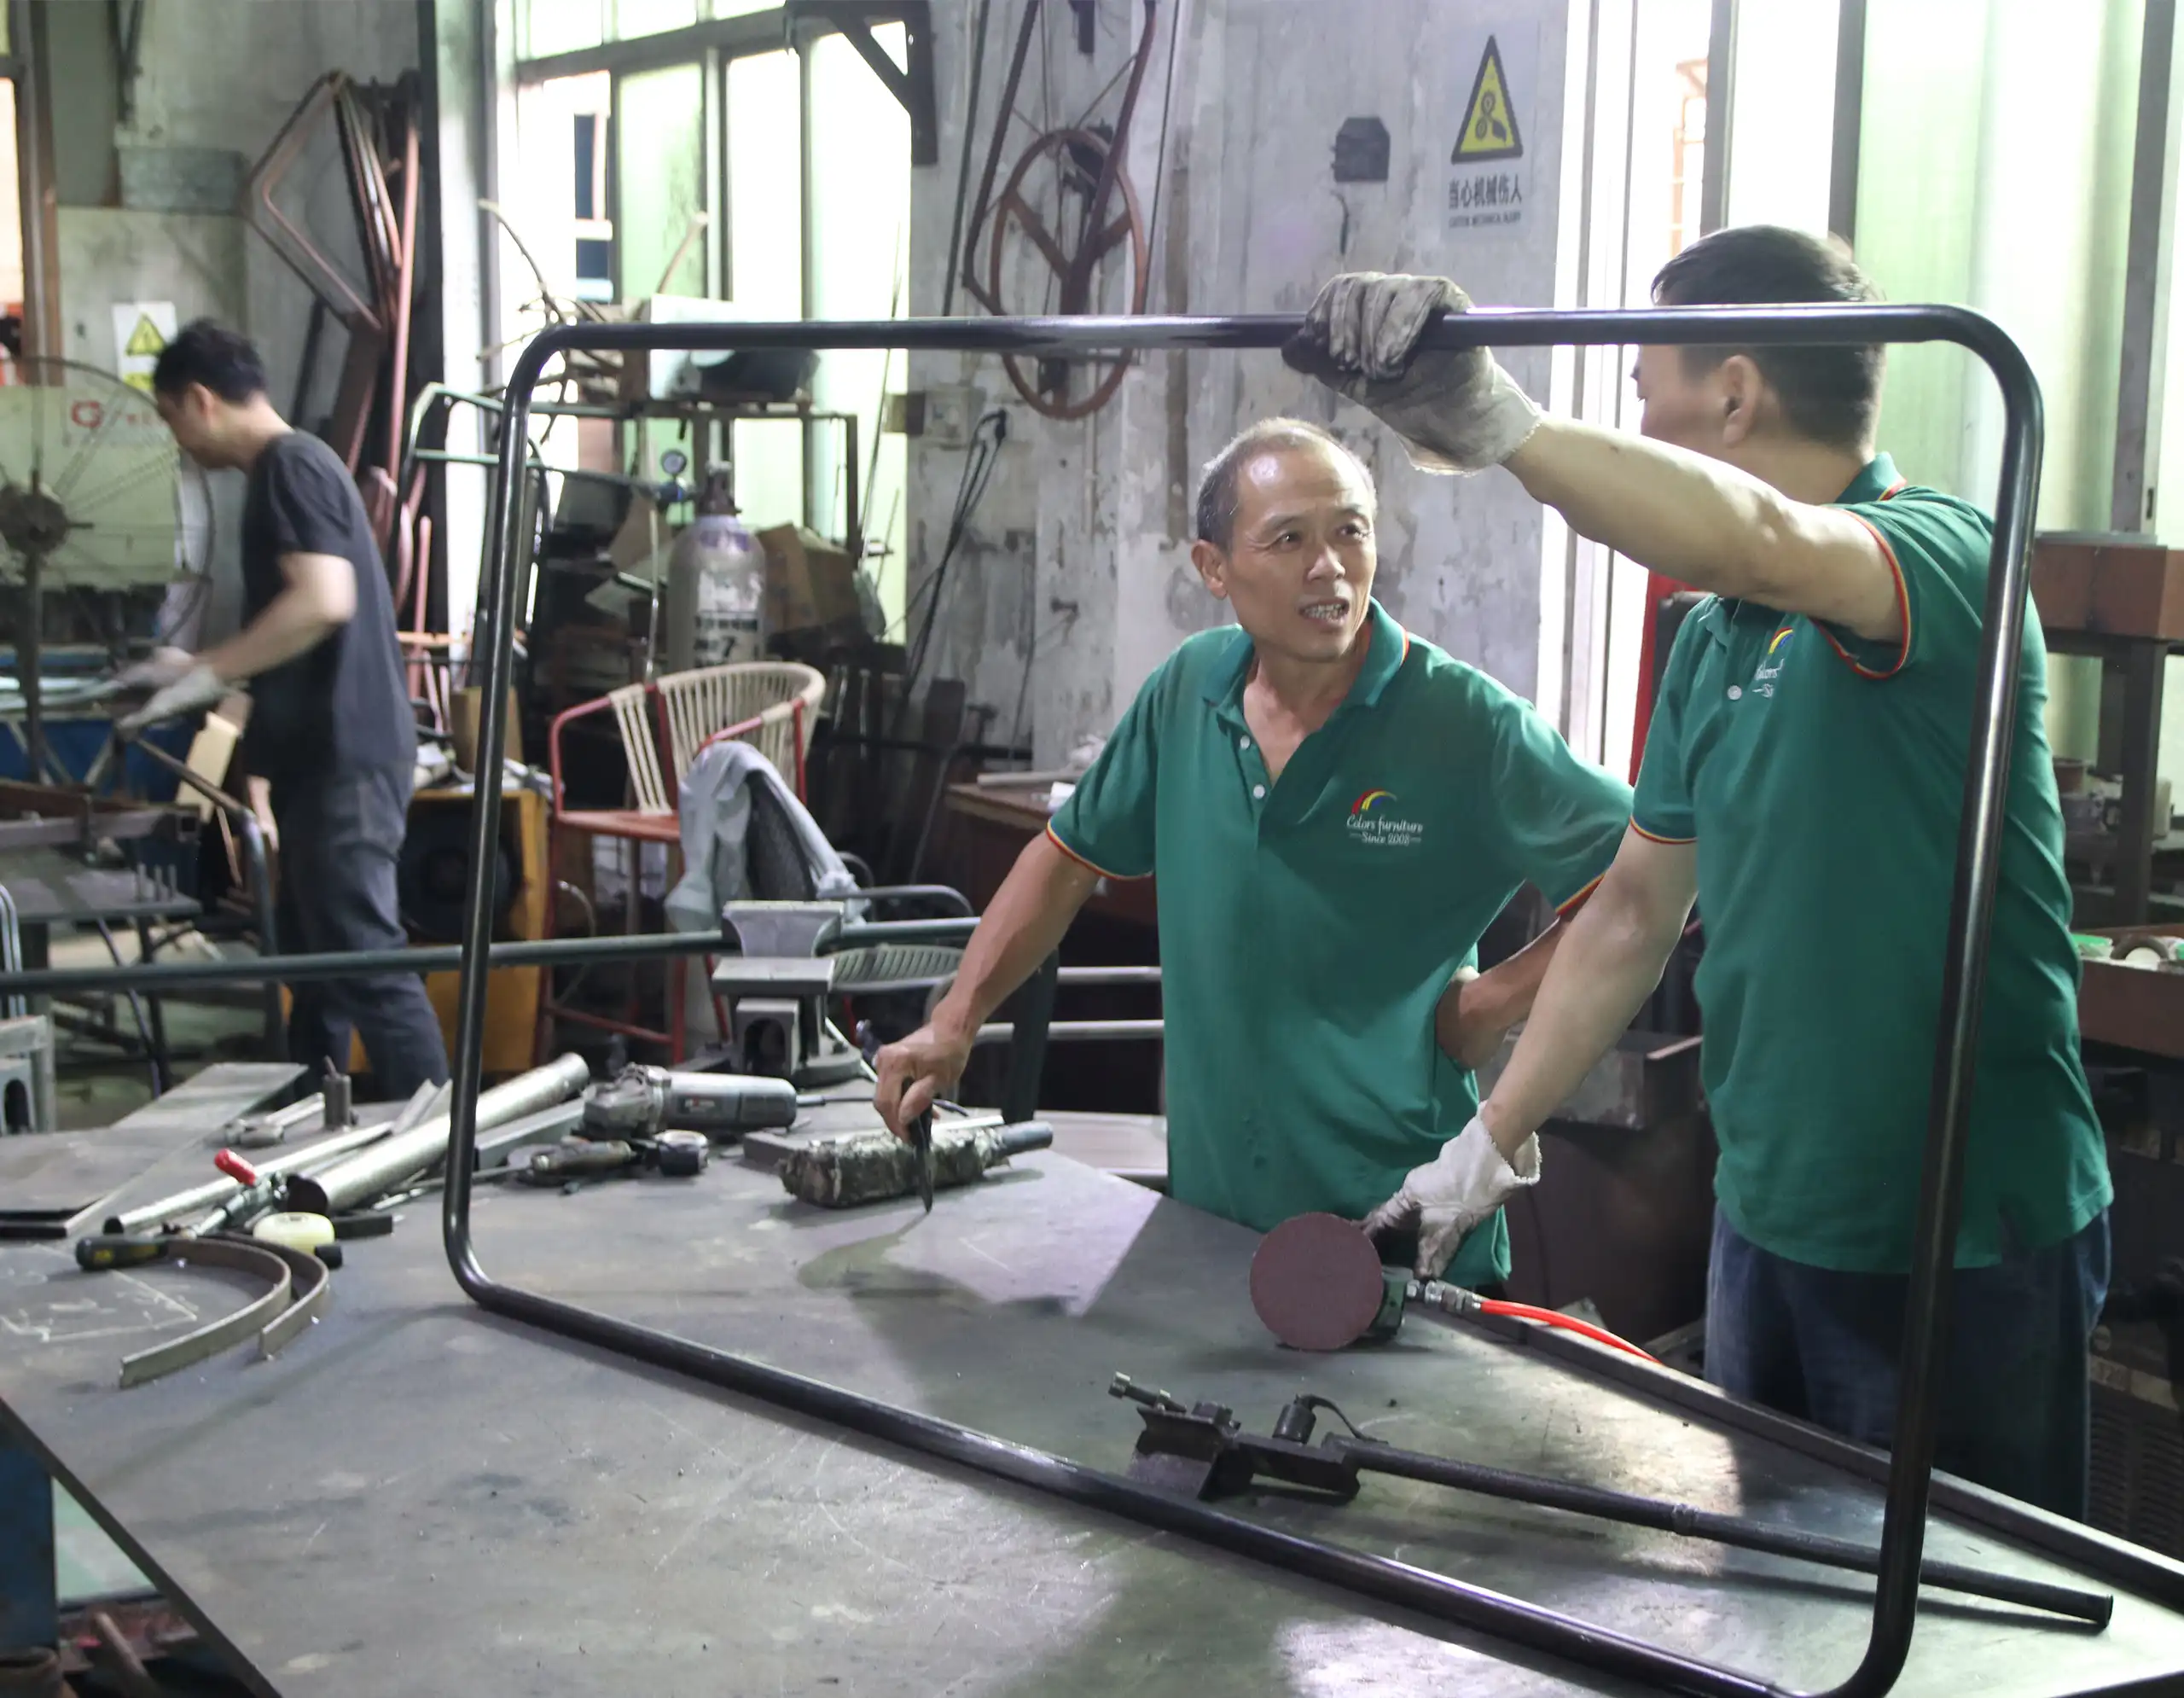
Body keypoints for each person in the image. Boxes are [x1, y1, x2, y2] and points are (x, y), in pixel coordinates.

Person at [1284, 230, 2111, 1517]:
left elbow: (1768, 538)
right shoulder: (1716, 635)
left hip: (1950, 1236)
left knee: (1957, 1603)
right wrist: (1481, 1149)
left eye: (1644, 386)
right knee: (1773, 1593)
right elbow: (1631, 911)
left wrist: (1505, 426)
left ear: (1733, 395)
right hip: (1764, 1218)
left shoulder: (1941, 556)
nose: (1635, 418)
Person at [874, 418, 1630, 1288]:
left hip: (1400, 1229)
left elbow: (1653, 873)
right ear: (1214, 567)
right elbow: (1067, 857)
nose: (1329, 567)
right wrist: (955, 1020)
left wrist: (1493, 1002)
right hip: (1217, 1225)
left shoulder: (1462, 720)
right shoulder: (1188, 691)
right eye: (1289, 539)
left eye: (1350, 531)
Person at [131, 320, 449, 1099]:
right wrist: (203, 688)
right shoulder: (286, 471)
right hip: (321, 762)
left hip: (347, 760)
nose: (178, 442)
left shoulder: (291, 466)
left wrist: (206, 670)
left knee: (364, 960)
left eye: (171, 419)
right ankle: (314, 1125)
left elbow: (323, 601)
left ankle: (448, 1142)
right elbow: (285, 641)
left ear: (200, 400)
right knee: (317, 971)